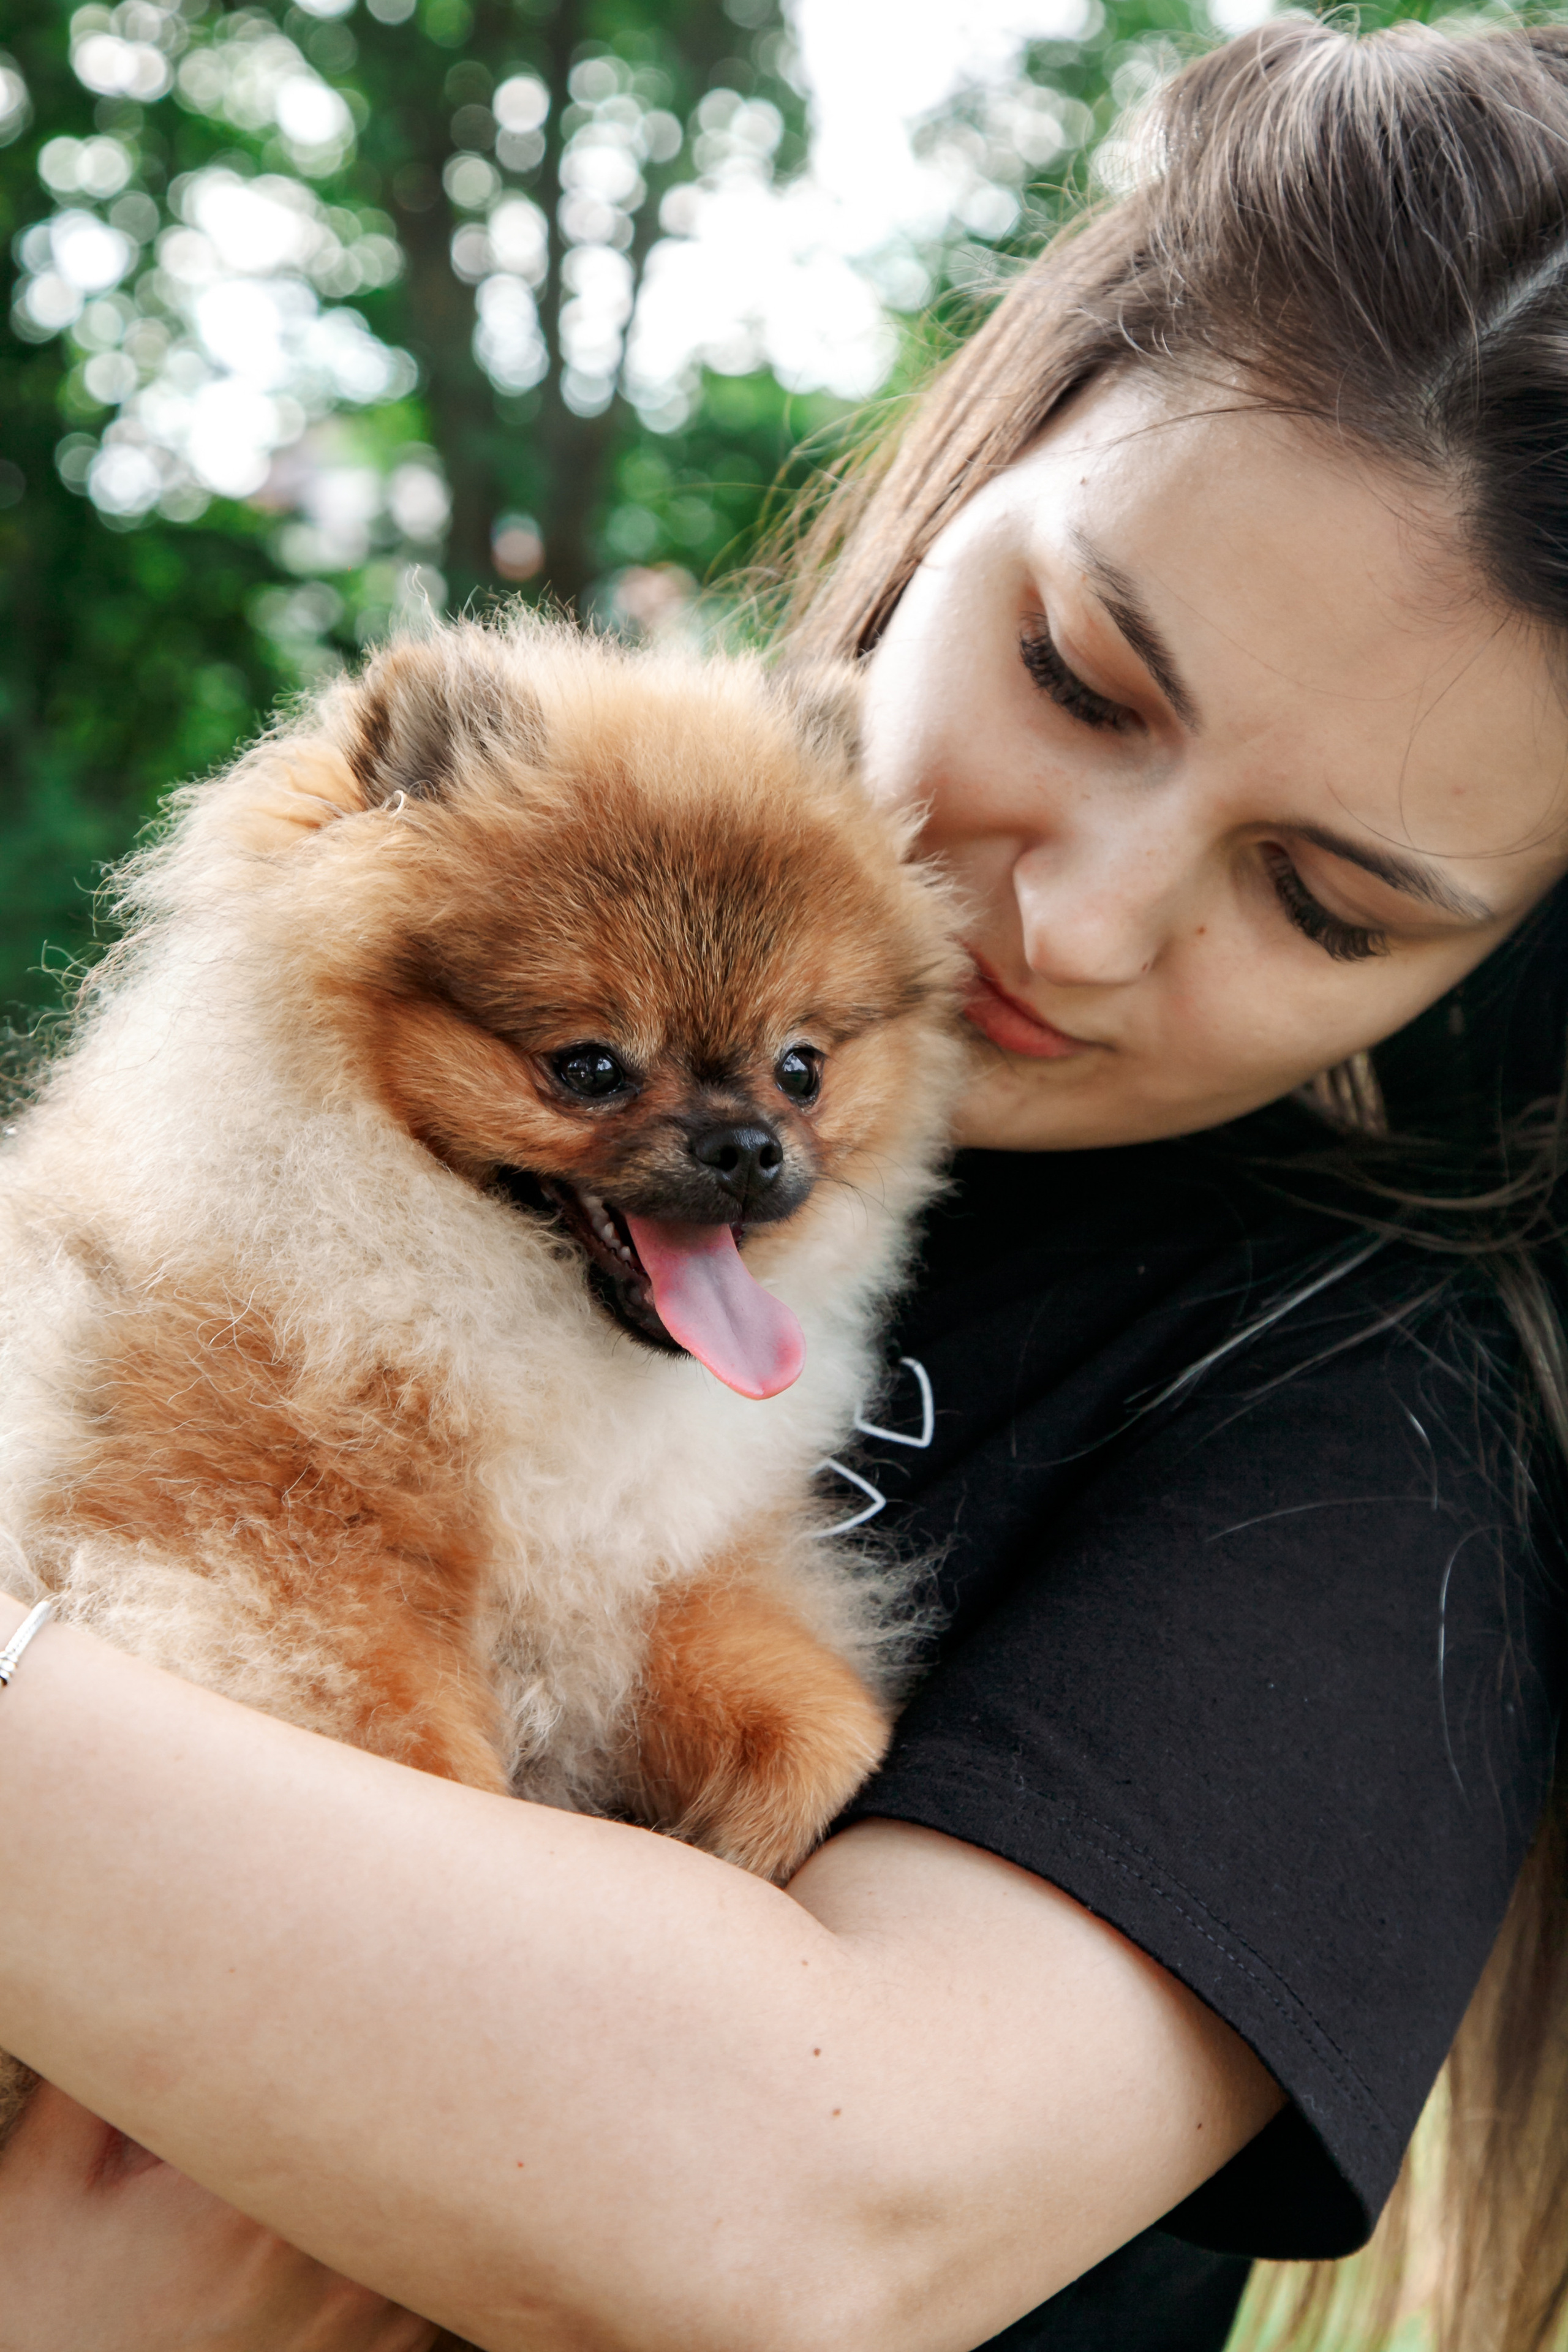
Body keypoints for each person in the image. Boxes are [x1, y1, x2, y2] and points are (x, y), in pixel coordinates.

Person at [2, 17, 1568, 2349]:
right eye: (1078, 676)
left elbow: (813, 2216)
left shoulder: (1364, 1422)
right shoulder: (374, 992)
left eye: (1327, 904)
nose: (1073, 919)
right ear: (984, 444)